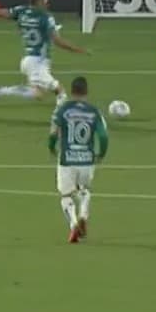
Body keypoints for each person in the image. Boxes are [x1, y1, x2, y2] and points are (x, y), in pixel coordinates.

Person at [0, 0, 88, 104]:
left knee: (38, 94)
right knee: (59, 90)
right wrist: (78, 49)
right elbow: (58, 41)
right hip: (38, 62)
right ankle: (60, 114)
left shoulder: (21, 11)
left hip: (30, 60)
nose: (47, 1)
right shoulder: (46, 17)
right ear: (39, 0)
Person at [49, 76, 108, 243]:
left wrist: (51, 147)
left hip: (67, 159)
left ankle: (74, 224)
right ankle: (83, 214)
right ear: (86, 91)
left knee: (66, 195)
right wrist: (101, 153)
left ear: (72, 91)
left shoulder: (63, 109)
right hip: (87, 160)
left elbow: (53, 133)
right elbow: (103, 136)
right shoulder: (94, 111)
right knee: (84, 189)